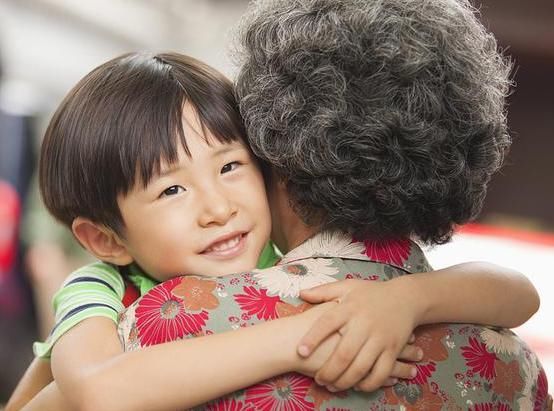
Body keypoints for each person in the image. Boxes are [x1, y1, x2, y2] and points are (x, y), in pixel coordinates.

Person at [5, 43, 543, 411]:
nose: (217, 207)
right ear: (106, 239)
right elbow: (99, 392)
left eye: (230, 167)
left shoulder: (277, 264)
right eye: (171, 189)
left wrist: (408, 301)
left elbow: (518, 294)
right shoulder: (97, 291)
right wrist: (298, 339)